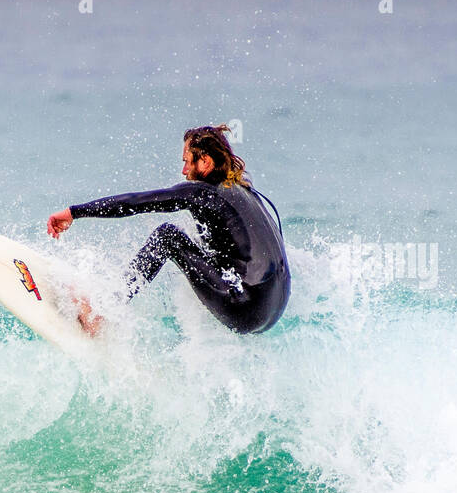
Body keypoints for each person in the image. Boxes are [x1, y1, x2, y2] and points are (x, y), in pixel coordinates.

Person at [47, 125, 290, 335]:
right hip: (274, 308)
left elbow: (136, 202)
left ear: (205, 162)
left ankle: (103, 313)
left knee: (168, 237)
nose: (184, 171)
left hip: (245, 309)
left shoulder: (203, 193)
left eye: (187, 161)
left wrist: (74, 212)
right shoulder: (245, 192)